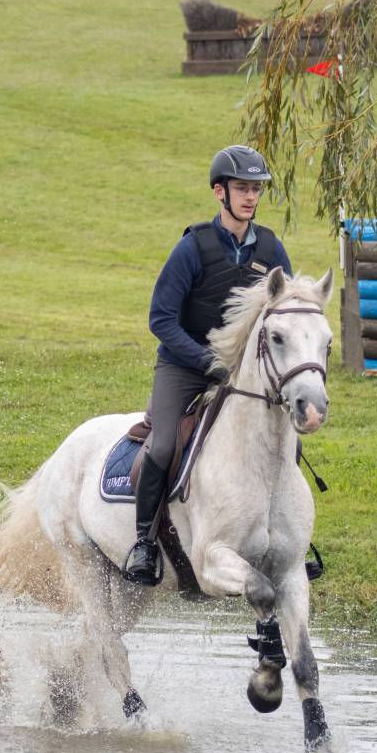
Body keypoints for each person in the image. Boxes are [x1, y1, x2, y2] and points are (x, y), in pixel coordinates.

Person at [124, 145, 293, 585]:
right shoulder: (192, 248)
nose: (250, 197)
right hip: (184, 366)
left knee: (285, 442)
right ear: (220, 192)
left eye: (256, 189)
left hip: (246, 374)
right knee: (162, 446)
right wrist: (206, 359)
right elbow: (160, 318)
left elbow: (287, 310)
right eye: (242, 188)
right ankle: (143, 543)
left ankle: (284, 541)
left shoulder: (271, 248)